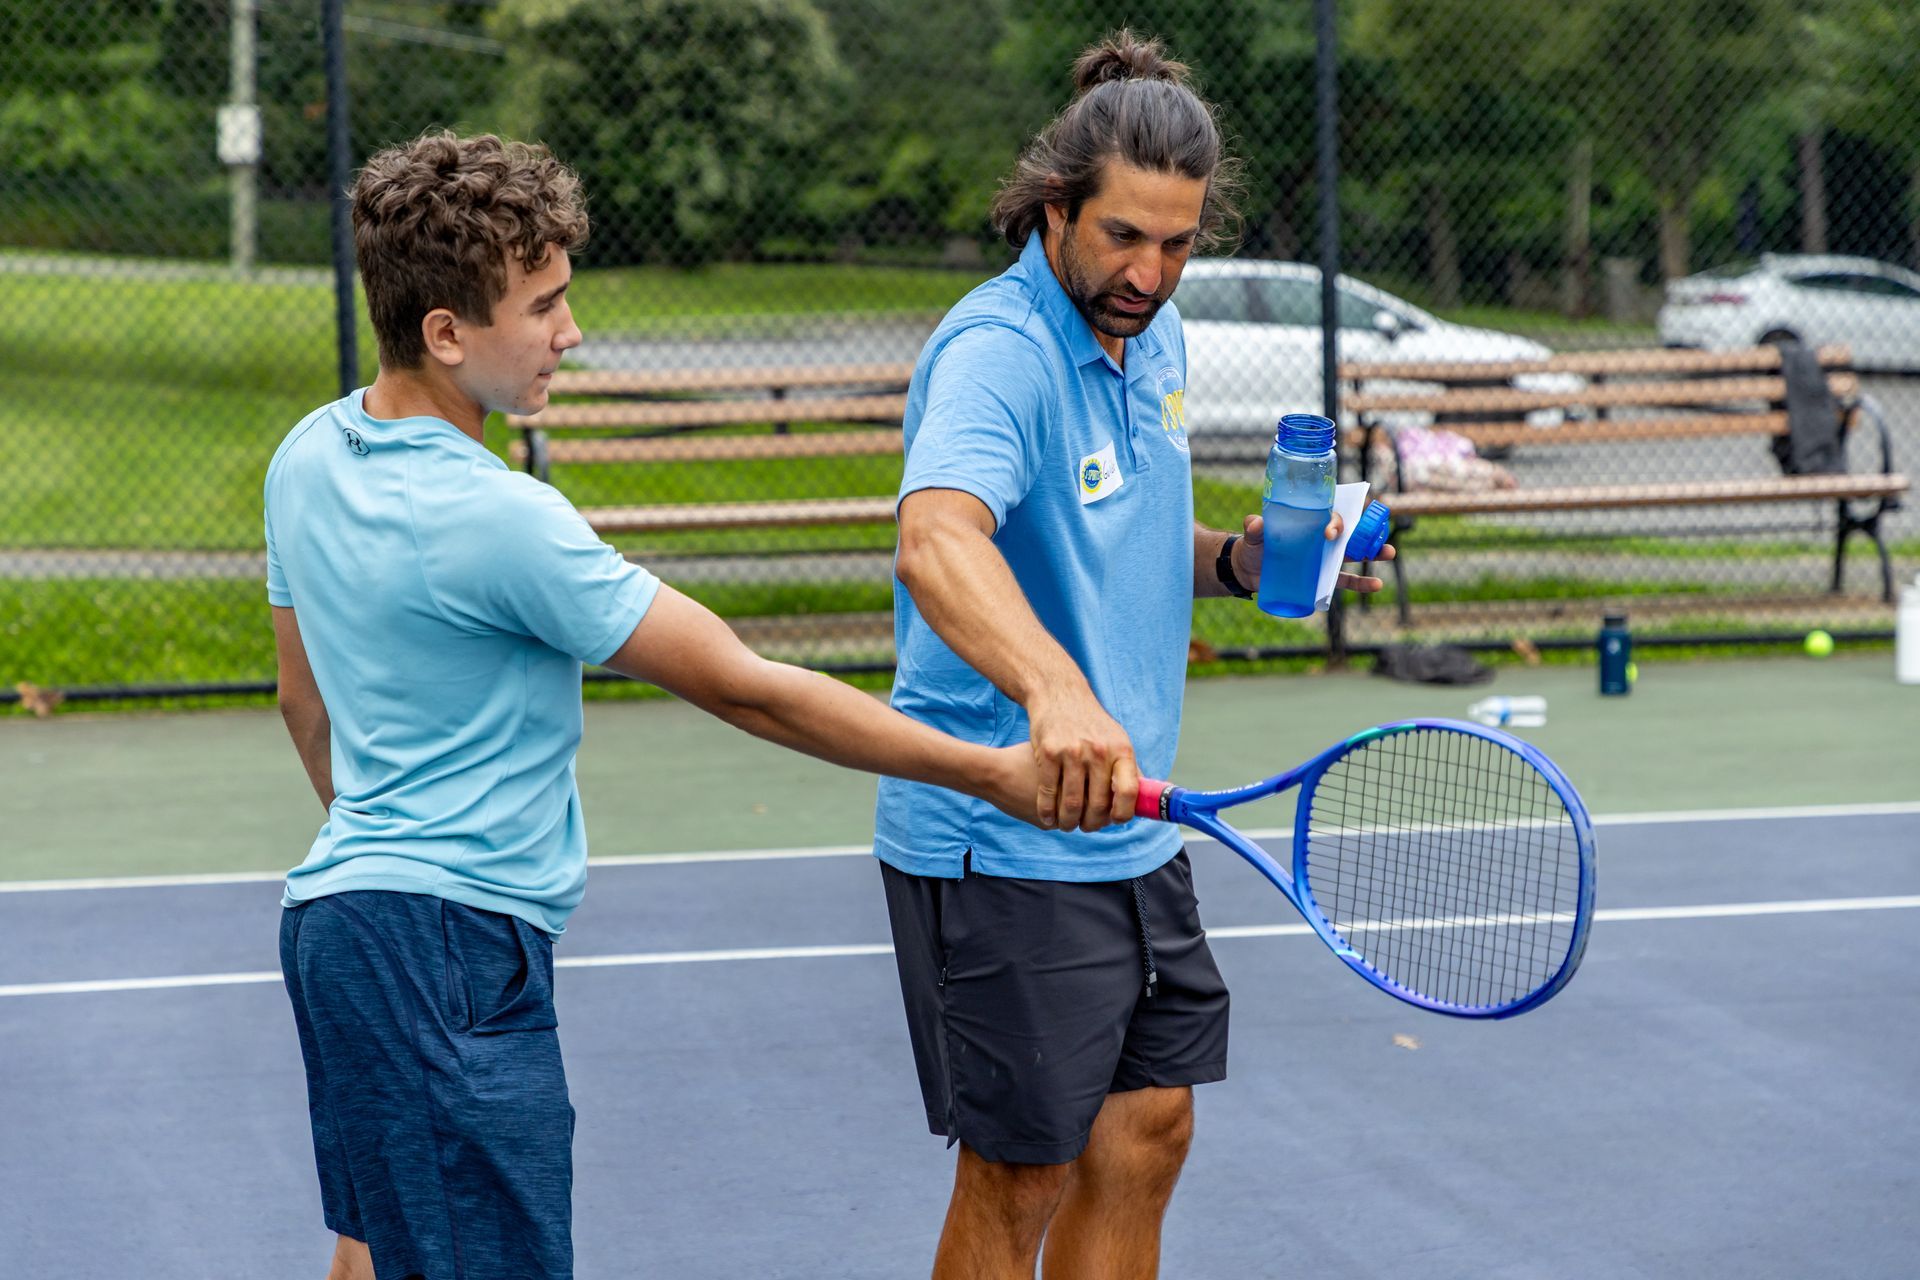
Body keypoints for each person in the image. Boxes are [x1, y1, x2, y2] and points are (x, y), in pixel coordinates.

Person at [266, 130, 1047, 1280]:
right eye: (543, 306)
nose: (569, 334)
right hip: (447, 948)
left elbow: (304, 701)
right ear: (446, 333)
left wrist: (381, 837)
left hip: (340, 931)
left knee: (377, 1247)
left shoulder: (307, 456)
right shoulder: (502, 519)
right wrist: (993, 768)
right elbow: (745, 687)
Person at [874, 31, 1391, 1280]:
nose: (1150, 273)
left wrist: (1236, 556)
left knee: (1151, 1127)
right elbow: (937, 540)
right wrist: (1055, 690)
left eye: (1178, 243)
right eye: (1122, 237)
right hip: (1005, 823)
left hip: (1135, 816)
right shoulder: (1000, 351)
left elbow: (1130, 525)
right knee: (1023, 1169)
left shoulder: (1149, 332)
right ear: (1057, 207)